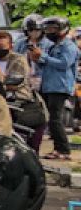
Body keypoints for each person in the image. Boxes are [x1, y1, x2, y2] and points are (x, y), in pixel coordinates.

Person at [31, 16, 78, 161]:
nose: (50, 32)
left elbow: (64, 64)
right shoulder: (53, 46)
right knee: (49, 118)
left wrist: (43, 56)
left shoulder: (68, 46)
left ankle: (63, 150)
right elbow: (45, 65)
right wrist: (37, 58)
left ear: (63, 29)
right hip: (48, 86)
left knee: (55, 119)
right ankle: (58, 148)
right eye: (48, 29)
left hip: (60, 86)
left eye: (53, 29)